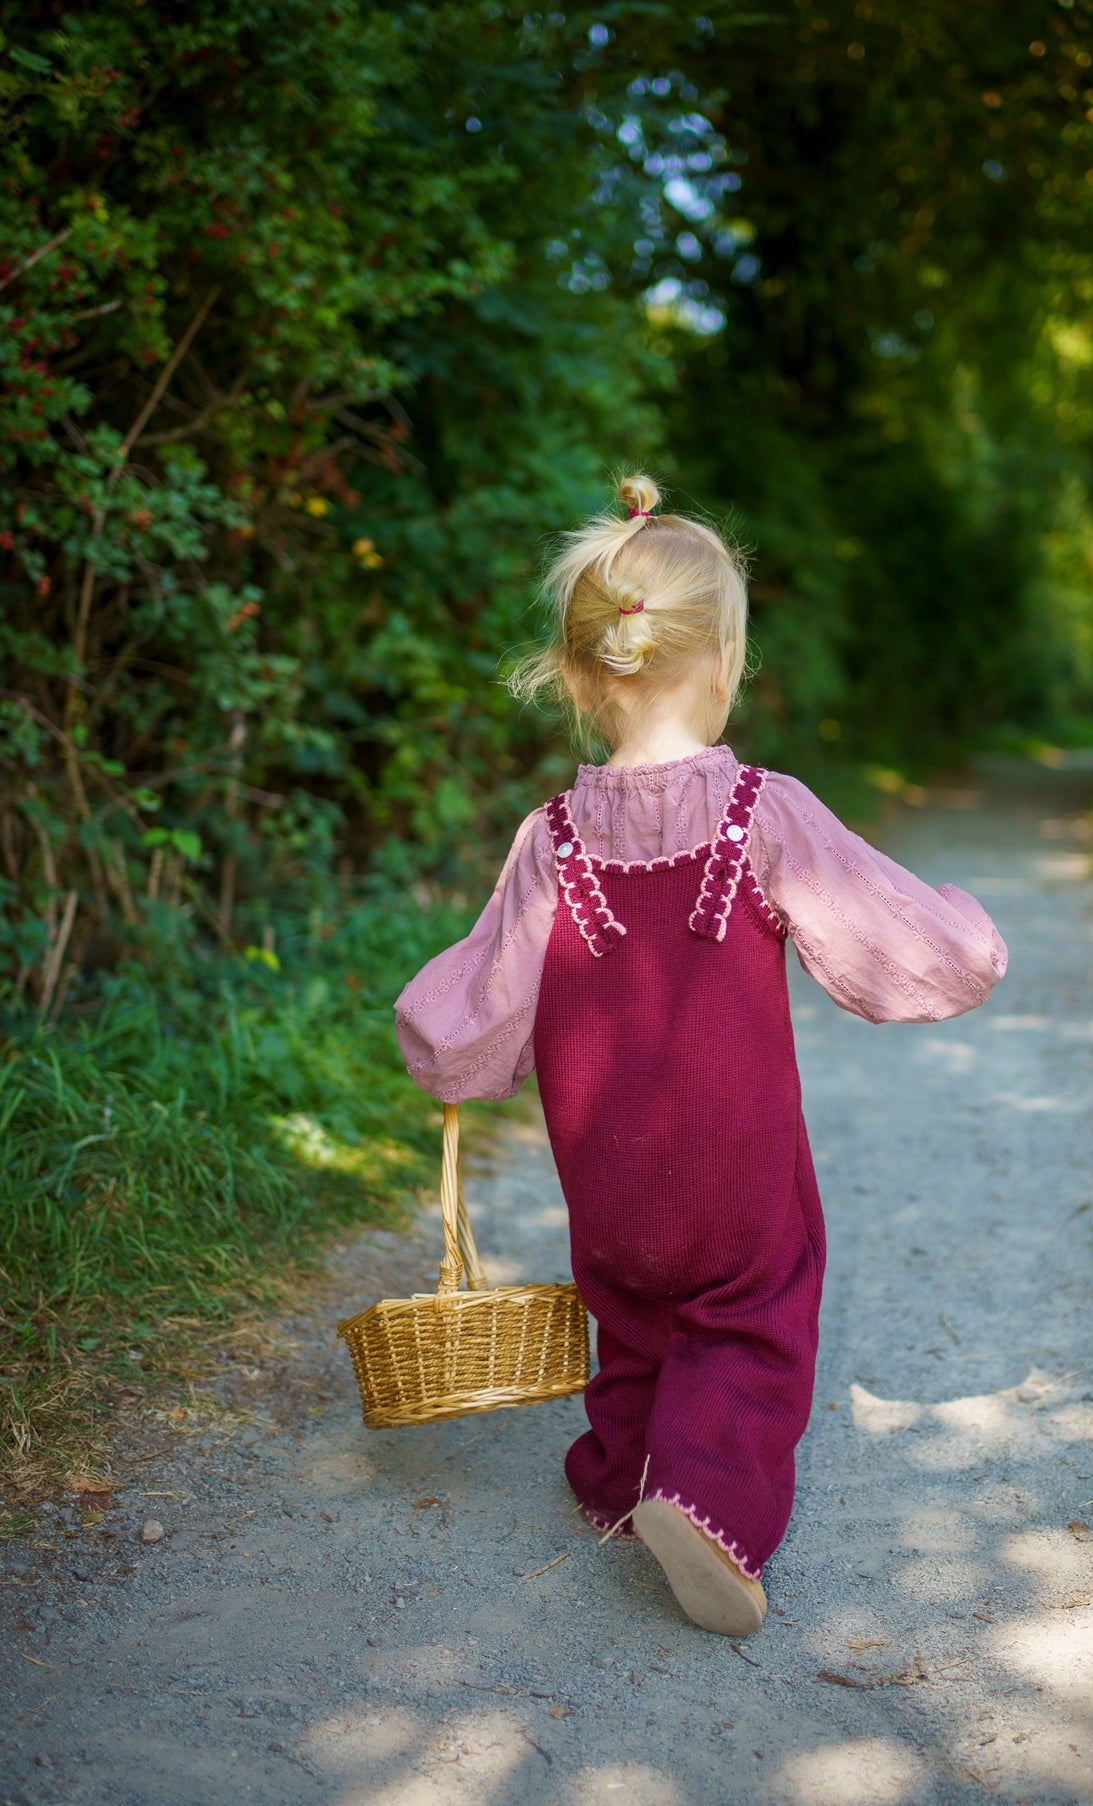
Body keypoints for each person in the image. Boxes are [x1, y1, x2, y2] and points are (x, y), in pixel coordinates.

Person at [394, 474, 1007, 1636]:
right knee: (752, 1312)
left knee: (629, 1314)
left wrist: (437, 1050)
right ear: (723, 663)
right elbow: (886, 936)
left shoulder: (551, 838)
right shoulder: (760, 814)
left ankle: (620, 1476)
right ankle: (706, 1502)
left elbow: (478, 993)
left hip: (605, 1177)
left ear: (580, 678)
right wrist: (963, 936)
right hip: (734, 1174)